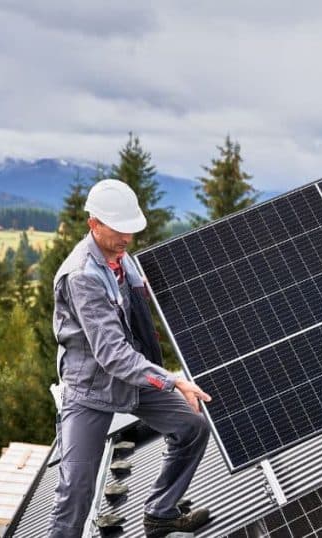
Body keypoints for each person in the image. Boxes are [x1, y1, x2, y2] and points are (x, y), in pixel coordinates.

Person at [48, 179, 213, 538]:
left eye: (131, 230)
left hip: (132, 379)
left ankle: (160, 512)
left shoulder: (124, 261)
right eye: (118, 229)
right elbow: (112, 354)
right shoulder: (82, 277)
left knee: (192, 427)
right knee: (75, 490)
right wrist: (173, 380)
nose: (127, 237)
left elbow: (135, 313)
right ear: (94, 224)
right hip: (90, 389)